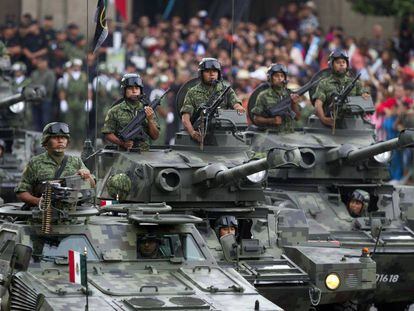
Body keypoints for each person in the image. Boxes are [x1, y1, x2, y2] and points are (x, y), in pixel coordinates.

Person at [15, 122, 95, 208]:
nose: (60, 141)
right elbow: (21, 191)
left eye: (64, 138)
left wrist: (87, 176)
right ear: (46, 140)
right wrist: (38, 201)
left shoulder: (76, 161)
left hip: (71, 216)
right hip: (42, 216)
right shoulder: (35, 163)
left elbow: (92, 185)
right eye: (56, 138)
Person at [180, 58, 245, 143]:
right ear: (201, 74)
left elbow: (236, 104)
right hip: (200, 137)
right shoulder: (192, 92)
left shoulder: (225, 90)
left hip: (223, 137)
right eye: (207, 71)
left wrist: (238, 108)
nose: (212, 74)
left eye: (215, 71)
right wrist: (192, 133)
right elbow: (185, 118)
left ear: (219, 73)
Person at [101, 73, 159, 151]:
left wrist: (150, 120)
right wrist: (122, 143)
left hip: (144, 154)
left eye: (137, 88)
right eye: (130, 88)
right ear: (124, 90)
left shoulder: (148, 110)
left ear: (141, 91)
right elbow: (108, 133)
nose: (134, 91)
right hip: (123, 155)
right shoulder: (115, 111)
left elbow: (155, 136)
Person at [313, 49, 370, 127]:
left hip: (353, 126)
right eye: (338, 62)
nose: (342, 64)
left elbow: (365, 98)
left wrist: (365, 96)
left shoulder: (355, 83)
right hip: (330, 126)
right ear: (331, 65)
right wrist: (324, 119)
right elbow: (318, 104)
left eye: (344, 62)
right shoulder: (324, 83)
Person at [251, 63, 300, 132]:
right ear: (270, 78)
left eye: (282, 76)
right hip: (271, 136)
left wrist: (294, 104)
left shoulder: (290, 94)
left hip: (288, 135)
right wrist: (271, 120)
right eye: (276, 76)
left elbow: (297, 117)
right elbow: (256, 119)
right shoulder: (263, 95)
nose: (280, 78)